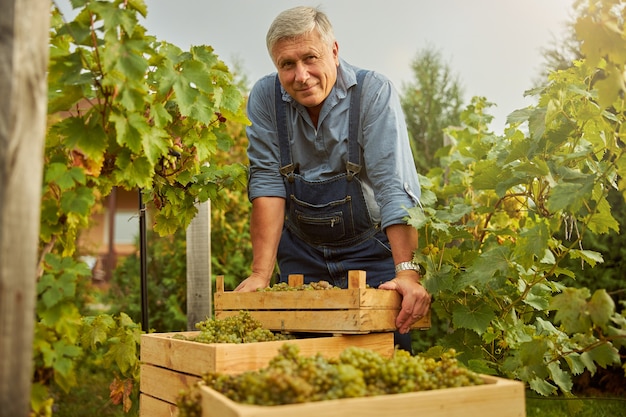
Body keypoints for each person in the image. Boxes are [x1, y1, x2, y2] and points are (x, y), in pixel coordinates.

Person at [235, 5, 430, 351]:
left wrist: (407, 275)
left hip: (372, 254)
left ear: (334, 52)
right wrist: (260, 276)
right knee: (304, 365)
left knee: (383, 360)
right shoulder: (265, 98)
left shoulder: (373, 93)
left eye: (310, 58)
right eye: (287, 65)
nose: (301, 75)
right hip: (302, 256)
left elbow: (393, 187)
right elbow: (267, 186)